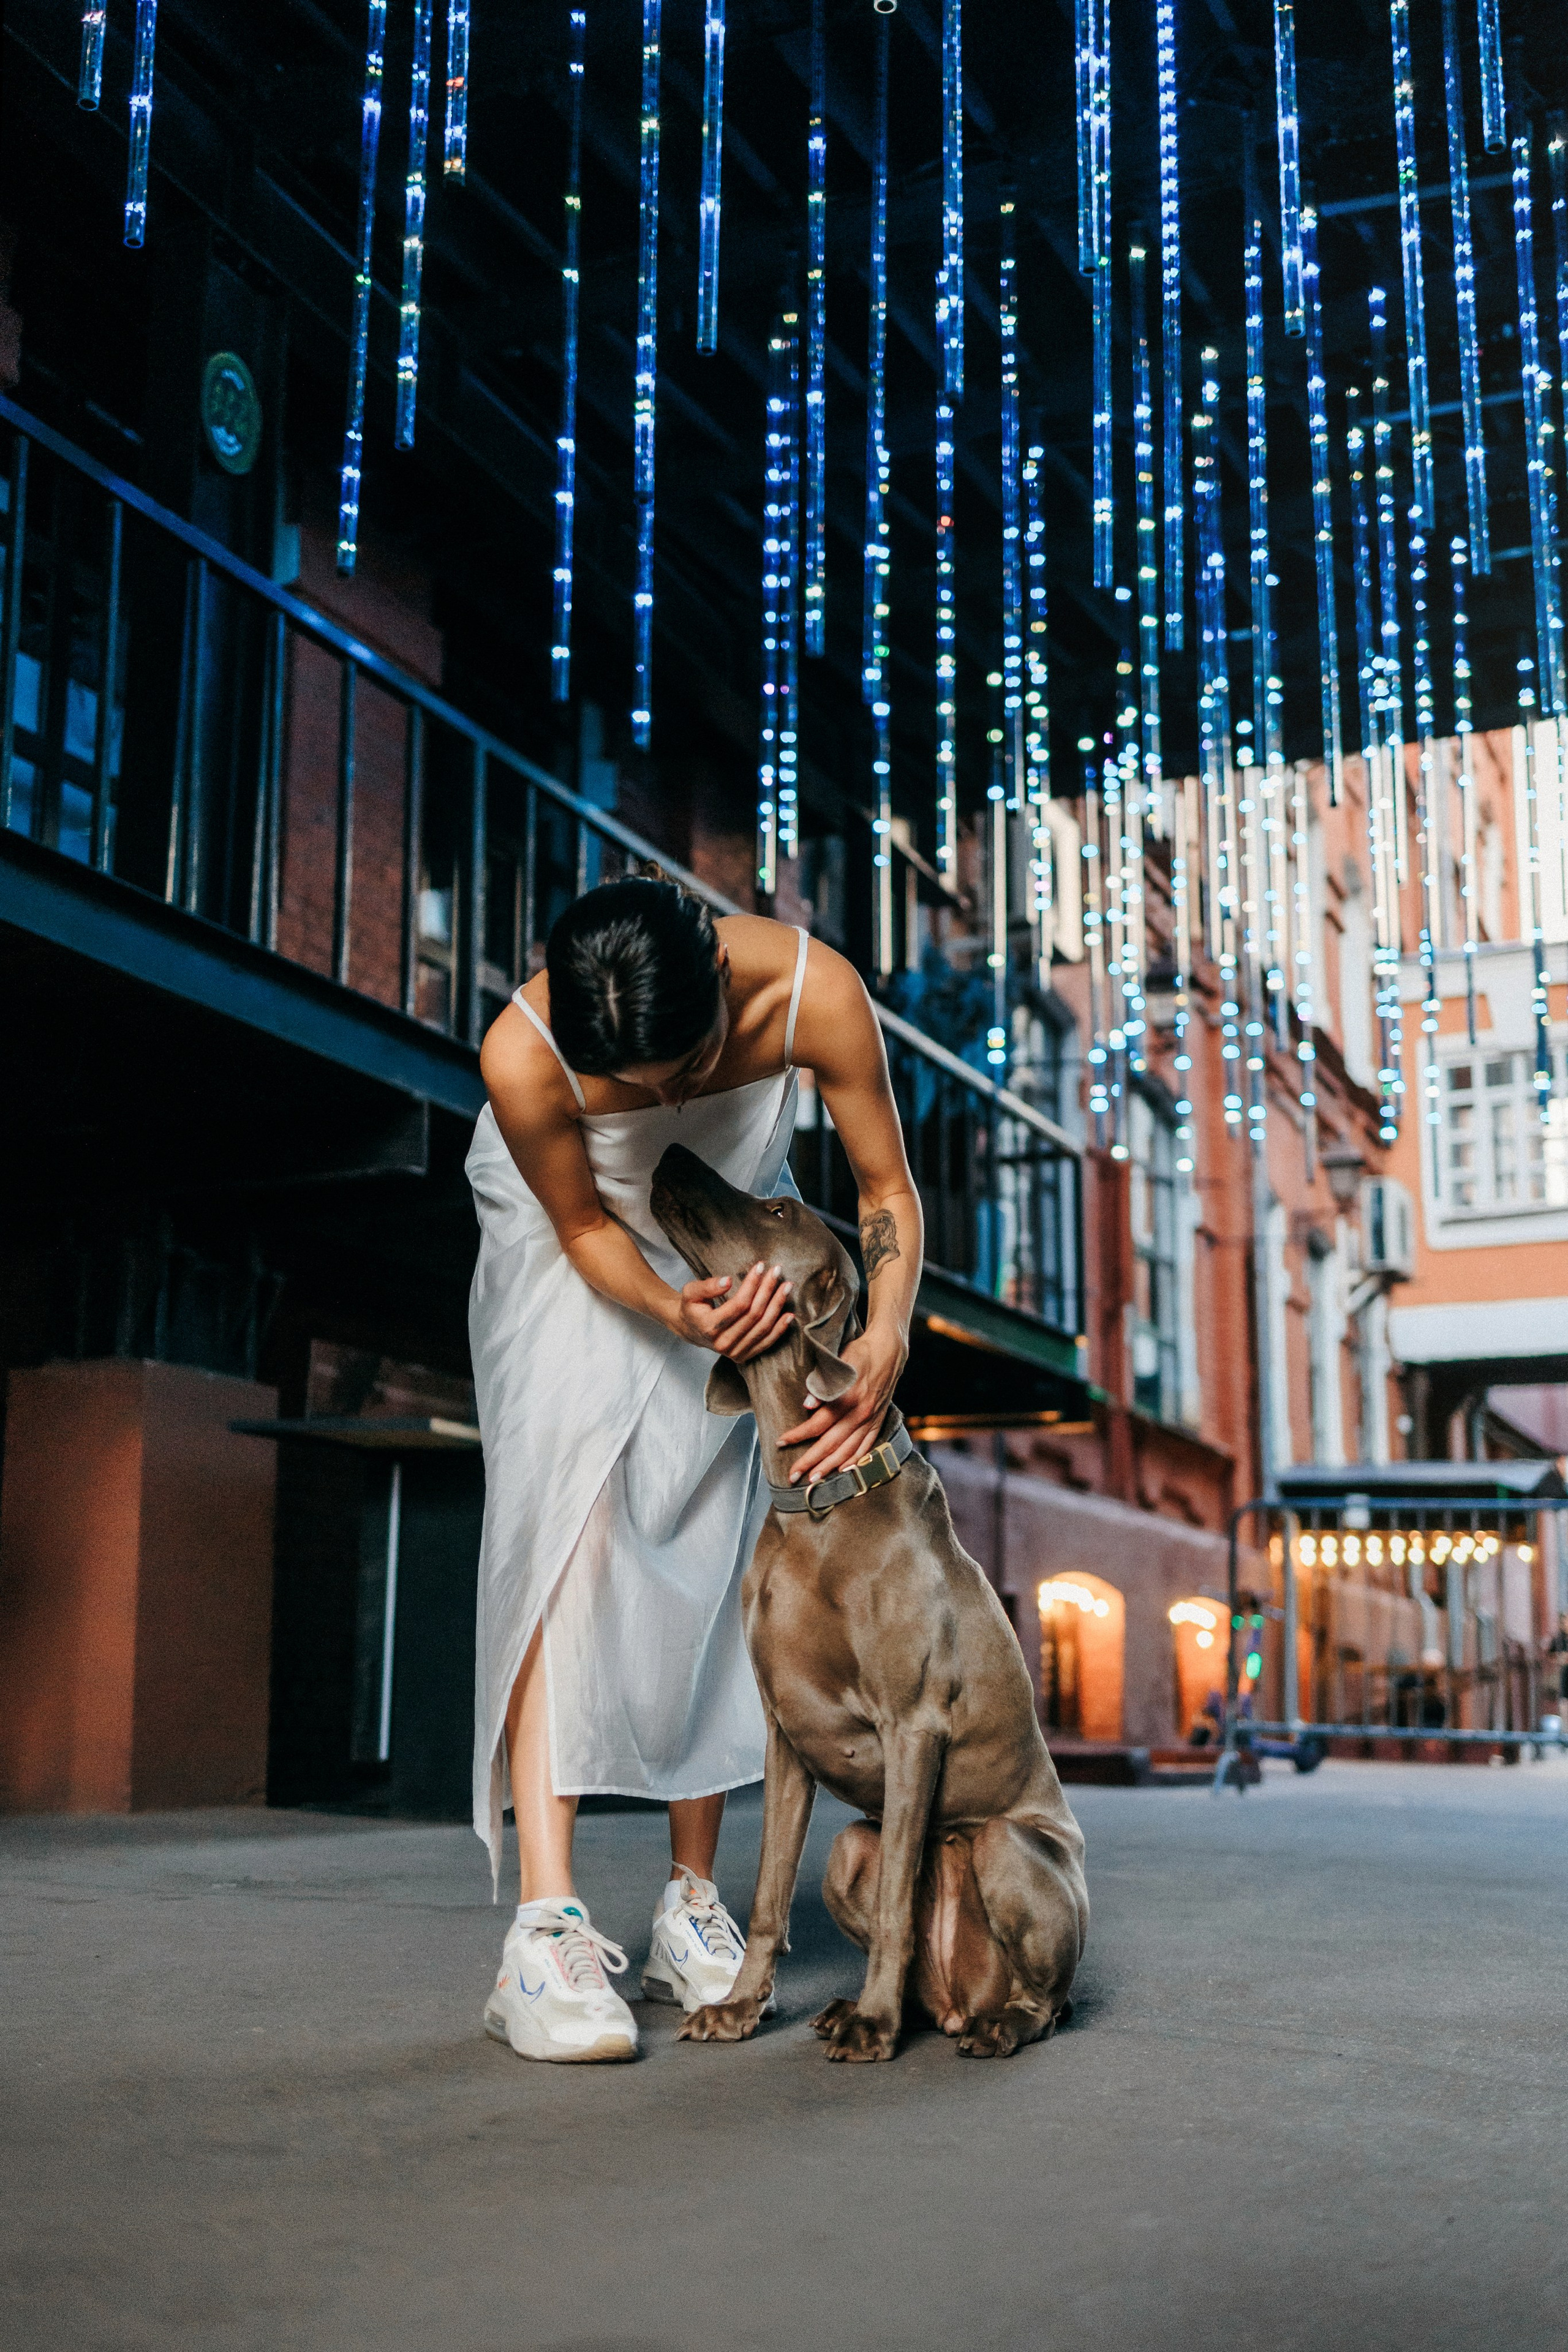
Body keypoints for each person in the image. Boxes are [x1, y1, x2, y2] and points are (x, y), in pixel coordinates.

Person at [466, 874, 924, 2062]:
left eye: (689, 1070)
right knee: (566, 1529)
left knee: (710, 1538)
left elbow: (884, 1189)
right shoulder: (522, 1058)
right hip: (575, 1251)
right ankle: (545, 1929)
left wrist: (885, 1332)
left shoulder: (817, 995)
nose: (669, 1101)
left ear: (721, 980)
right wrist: (674, 1312)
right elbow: (582, 1228)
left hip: (721, 1238)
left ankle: (691, 1904)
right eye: (640, 1087)